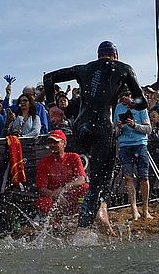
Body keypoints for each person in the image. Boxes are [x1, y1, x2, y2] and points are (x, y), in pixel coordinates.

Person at [43, 41, 147, 240]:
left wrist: (51, 105)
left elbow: (49, 78)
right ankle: (85, 227)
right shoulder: (124, 68)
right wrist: (130, 103)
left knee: (98, 176)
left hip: (80, 129)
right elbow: (141, 102)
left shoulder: (85, 68)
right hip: (102, 128)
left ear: (98, 55)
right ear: (115, 55)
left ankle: (100, 210)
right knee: (100, 180)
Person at [33, 129, 88, 230]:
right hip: (53, 196)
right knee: (42, 202)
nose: (52, 145)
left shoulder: (74, 157)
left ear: (64, 143)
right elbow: (41, 188)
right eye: (50, 142)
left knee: (86, 188)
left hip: (70, 193)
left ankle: (84, 216)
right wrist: (56, 196)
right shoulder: (43, 162)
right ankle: (55, 223)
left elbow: (81, 179)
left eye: (56, 142)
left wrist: (64, 189)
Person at [114, 91, 153, 220]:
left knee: (144, 177)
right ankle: (134, 209)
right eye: (122, 95)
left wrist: (134, 125)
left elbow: (148, 129)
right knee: (128, 177)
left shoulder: (140, 106)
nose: (124, 98)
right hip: (124, 145)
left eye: (127, 95)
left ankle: (145, 209)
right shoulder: (118, 108)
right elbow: (115, 132)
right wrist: (119, 127)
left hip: (140, 144)